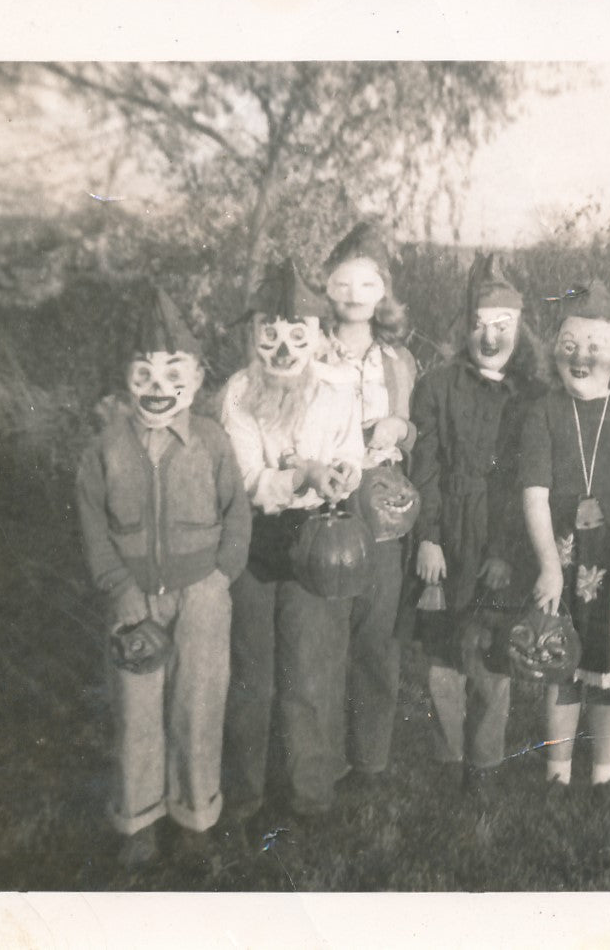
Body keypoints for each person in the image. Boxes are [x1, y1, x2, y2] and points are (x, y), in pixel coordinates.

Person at [75, 283, 251, 868]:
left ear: (198, 381)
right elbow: (94, 527)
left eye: (173, 373)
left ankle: (195, 815)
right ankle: (140, 818)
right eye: (144, 374)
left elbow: (237, 515)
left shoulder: (212, 442)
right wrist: (119, 589)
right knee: (137, 709)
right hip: (131, 604)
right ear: (125, 380)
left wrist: (220, 578)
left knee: (198, 705)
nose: (158, 388)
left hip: (203, 596)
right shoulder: (104, 449)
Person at [219, 259, 365, 824]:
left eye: (296, 336)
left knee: (311, 670)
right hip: (254, 540)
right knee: (252, 675)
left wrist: (344, 474)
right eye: (270, 335)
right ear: (254, 337)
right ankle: (242, 795)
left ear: (318, 338)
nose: (283, 349)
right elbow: (251, 481)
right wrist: (304, 473)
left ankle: (310, 793)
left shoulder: (336, 391)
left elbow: (350, 450)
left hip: (317, 539)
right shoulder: (237, 394)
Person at [519, 281, 610, 800]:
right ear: (554, 350)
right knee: (561, 667)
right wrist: (546, 566)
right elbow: (534, 495)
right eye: (569, 346)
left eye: (593, 347)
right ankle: (558, 771)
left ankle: (605, 773)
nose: (580, 358)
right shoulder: (543, 410)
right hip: (561, 560)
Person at [409, 252, 547, 799]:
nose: (489, 338)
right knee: (444, 655)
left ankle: (485, 763)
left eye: (502, 326)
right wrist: (429, 538)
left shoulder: (533, 395)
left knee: (492, 654)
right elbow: (425, 465)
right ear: (464, 328)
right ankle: (449, 754)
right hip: (448, 533)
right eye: (479, 325)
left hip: (503, 535)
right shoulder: (437, 386)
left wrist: (508, 553)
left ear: (519, 328)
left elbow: (531, 484)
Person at [318, 221, 419, 788]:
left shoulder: (396, 359)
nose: (355, 294)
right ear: (327, 287)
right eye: (343, 281)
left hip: (381, 502)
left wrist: (398, 427)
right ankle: (324, 756)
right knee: (327, 628)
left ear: (384, 293)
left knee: (376, 634)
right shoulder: (309, 348)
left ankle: (371, 758)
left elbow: (412, 433)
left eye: (368, 283)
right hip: (326, 499)